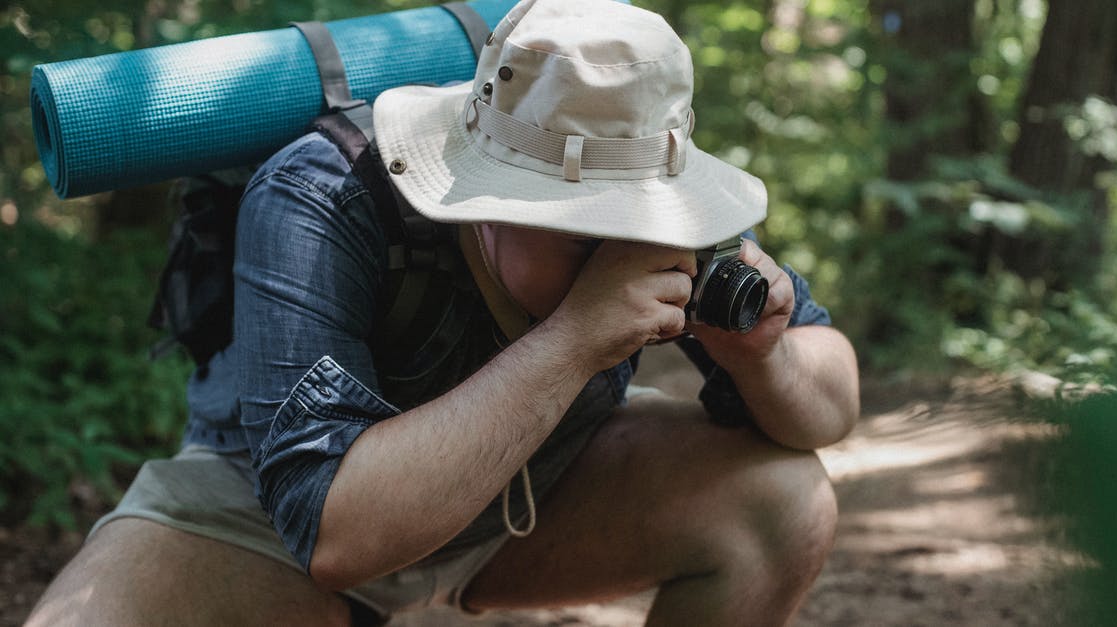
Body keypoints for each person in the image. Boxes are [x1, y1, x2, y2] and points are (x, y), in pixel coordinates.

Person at [27, 0, 858, 625]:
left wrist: (762, 356)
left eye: (636, 225)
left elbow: (833, 399)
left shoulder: (658, 188)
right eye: (584, 233)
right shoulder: (322, 194)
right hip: (264, 524)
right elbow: (332, 532)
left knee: (782, 499)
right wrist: (573, 342)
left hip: (529, 498)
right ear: (485, 199)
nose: (620, 254)